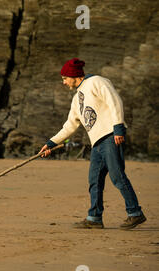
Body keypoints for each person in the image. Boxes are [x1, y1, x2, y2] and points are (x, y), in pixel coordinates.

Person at [39, 58, 147, 230]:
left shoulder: (97, 82)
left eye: (64, 78)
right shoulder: (76, 99)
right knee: (94, 180)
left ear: (73, 76)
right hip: (97, 142)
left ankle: (135, 213)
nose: (64, 82)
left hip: (111, 136)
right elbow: (70, 126)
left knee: (117, 176)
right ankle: (94, 217)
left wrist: (118, 127)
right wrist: (51, 144)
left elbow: (115, 101)